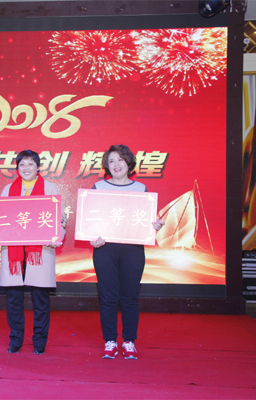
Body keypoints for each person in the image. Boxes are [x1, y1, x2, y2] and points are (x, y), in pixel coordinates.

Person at [0, 150, 65, 355]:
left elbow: (60, 218)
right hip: (14, 251)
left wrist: (57, 235)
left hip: (41, 250)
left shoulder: (50, 188)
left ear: (38, 167)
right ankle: (16, 339)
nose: (26, 168)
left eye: (30, 164)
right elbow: (0, 218)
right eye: (22, 165)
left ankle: (39, 341)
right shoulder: (8, 189)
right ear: (17, 168)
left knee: (40, 297)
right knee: (13, 298)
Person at [90, 144, 164, 360]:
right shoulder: (98, 187)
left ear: (129, 163)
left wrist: (155, 226)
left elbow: (147, 220)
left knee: (130, 297)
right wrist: (92, 237)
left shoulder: (140, 188)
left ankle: (129, 341)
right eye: (111, 161)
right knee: (108, 297)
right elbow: (92, 219)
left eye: (120, 160)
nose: (116, 164)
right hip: (105, 249)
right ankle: (110, 341)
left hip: (132, 250)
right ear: (107, 165)